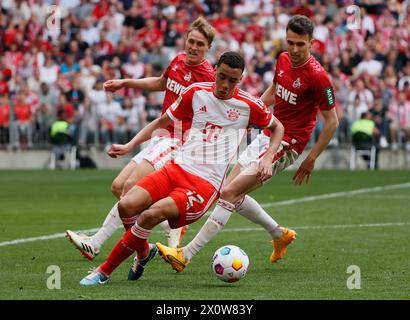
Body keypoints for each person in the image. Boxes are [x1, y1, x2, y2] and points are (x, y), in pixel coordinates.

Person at [79, 51, 284, 285]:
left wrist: (268, 158)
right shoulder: (196, 92)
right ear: (215, 70)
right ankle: (143, 252)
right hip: (175, 169)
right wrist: (129, 145)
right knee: (126, 205)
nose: (225, 85)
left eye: (233, 80)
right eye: (222, 77)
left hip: (203, 185)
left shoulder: (249, 105)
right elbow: (161, 122)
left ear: (241, 79)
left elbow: (277, 127)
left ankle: (103, 272)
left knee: (149, 215)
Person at [155, 15, 339, 272]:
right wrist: (248, 117)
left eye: (301, 44)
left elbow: (332, 122)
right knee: (228, 190)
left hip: (288, 143)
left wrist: (310, 159)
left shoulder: (318, 78)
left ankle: (185, 254)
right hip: (266, 134)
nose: (294, 50)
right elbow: (274, 92)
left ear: (312, 43)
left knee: (229, 193)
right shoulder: (283, 59)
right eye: (290, 43)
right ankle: (279, 234)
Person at [66, 17, 217, 259]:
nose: (194, 47)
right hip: (160, 136)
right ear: (185, 40)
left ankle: (97, 242)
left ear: (208, 48)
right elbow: (160, 83)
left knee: (129, 189)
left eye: (200, 44)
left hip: (178, 141)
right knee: (118, 187)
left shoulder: (208, 77)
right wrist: (126, 83)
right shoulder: (178, 61)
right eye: (191, 41)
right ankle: (168, 227)